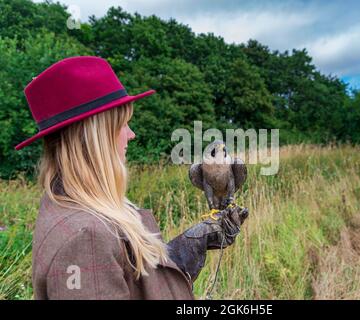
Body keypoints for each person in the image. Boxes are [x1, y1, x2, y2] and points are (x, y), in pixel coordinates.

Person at [15, 56, 248, 300]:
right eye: (124, 124)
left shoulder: (86, 208)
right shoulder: (85, 239)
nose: (132, 134)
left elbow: (137, 282)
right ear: (97, 138)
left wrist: (193, 243)